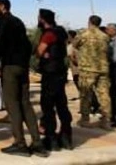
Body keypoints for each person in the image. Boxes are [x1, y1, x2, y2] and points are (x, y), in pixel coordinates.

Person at [0, 0, 48, 158]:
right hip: (22, 66)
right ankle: (37, 143)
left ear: (2, 6)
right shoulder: (18, 22)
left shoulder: (3, 21)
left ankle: (20, 144)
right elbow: (27, 45)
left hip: (10, 66)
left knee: (12, 105)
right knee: (26, 104)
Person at [35, 9, 73, 151]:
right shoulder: (61, 32)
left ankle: (51, 138)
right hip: (61, 71)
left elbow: (40, 51)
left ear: (43, 19)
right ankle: (66, 136)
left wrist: (43, 54)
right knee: (62, 104)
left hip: (50, 73)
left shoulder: (49, 34)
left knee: (48, 105)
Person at [73, 15, 111, 130]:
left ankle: (85, 119)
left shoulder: (83, 34)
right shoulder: (105, 36)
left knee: (85, 95)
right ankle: (106, 120)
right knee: (104, 95)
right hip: (103, 69)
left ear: (89, 22)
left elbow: (74, 45)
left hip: (87, 69)